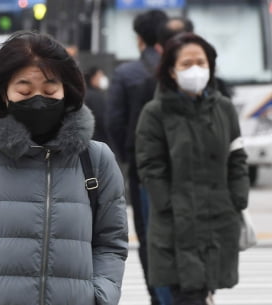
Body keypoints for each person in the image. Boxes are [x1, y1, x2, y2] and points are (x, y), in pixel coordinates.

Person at [0, 31, 128, 305]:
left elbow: (111, 242)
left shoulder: (95, 160)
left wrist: (101, 296)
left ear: (66, 90)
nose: (38, 99)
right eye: (24, 90)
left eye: (49, 91)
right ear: (4, 93)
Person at [135, 32, 249, 305]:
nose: (195, 69)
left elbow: (237, 155)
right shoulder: (155, 112)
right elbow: (150, 165)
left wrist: (238, 197)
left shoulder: (223, 108)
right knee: (187, 294)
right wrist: (168, 204)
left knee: (206, 289)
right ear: (172, 71)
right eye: (186, 63)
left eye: (202, 62)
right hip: (177, 225)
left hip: (218, 219)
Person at [107, 9, 169, 305]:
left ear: (139, 38)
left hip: (141, 168)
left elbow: (114, 122)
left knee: (148, 235)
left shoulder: (126, 73)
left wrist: (128, 155)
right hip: (179, 167)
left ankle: (158, 295)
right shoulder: (178, 68)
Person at [84, 66, 109, 143]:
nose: (102, 79)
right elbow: (102, 118)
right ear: (93, 79)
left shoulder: (84, 94)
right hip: (98, 139)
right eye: (100, 76)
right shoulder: (96, 96)